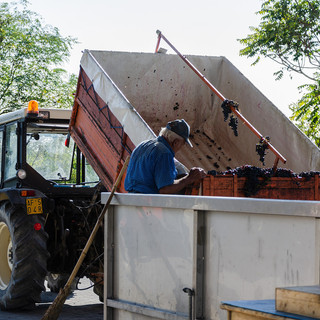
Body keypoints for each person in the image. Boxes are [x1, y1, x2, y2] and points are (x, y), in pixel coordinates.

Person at [124, 119, 207, 194]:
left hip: (132, 197)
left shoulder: (143, 144)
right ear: (176, 142)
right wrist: (189, 179)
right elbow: (165, 189)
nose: (180, 148)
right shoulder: (164, 153)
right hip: (148, 202)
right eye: (182, 144)